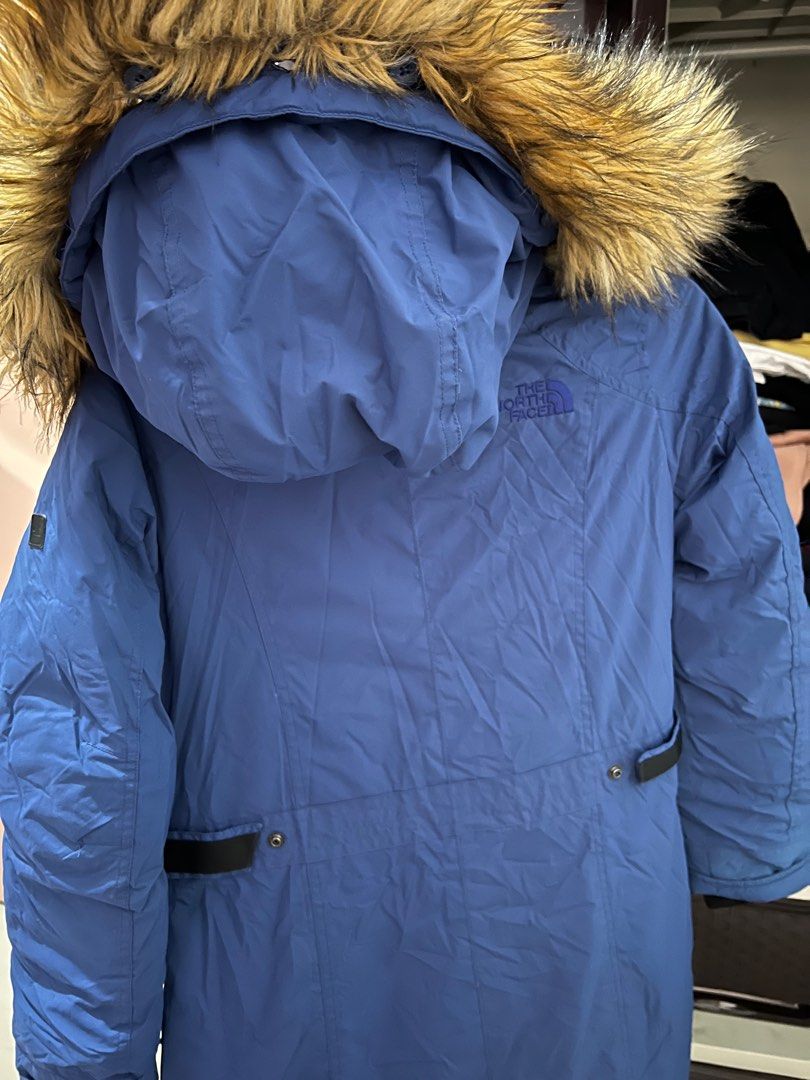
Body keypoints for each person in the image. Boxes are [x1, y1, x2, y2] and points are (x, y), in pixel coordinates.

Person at [0, 3, 807, 1079]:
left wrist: (83, 1049)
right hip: (585, 934)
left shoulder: (130, 361)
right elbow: (746, 594)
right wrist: (752, 836)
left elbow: (78, 723)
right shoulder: (649, 326)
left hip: (268, 981)